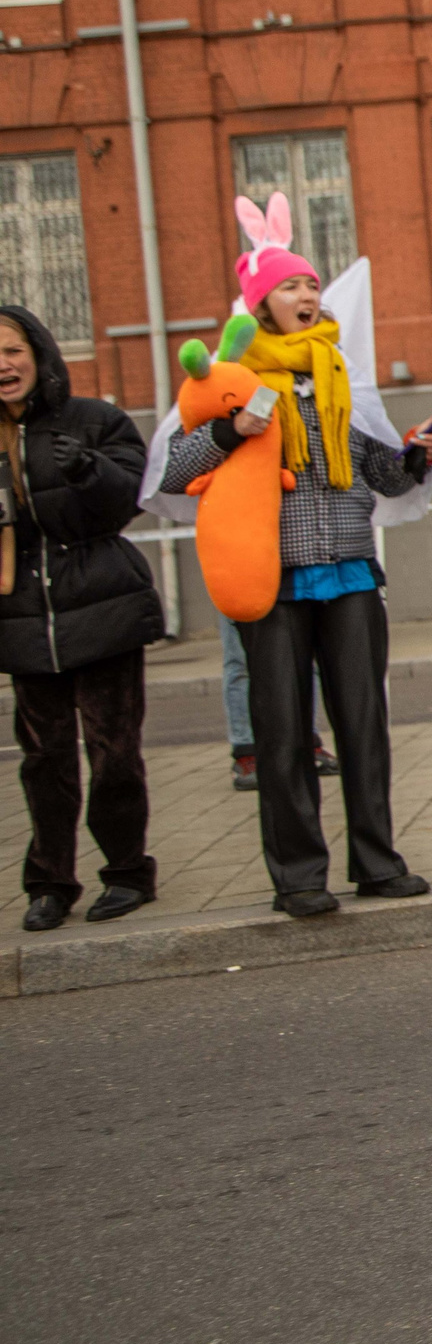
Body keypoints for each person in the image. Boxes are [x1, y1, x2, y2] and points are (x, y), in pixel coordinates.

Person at [157, 219, 432, 918]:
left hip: (347, 570)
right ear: (262, 303)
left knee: (364, 725)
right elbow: (171, 469)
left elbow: (379, 474)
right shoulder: (235, 379)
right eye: (292, 284)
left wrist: (412, 458)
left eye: (312, 283)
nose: (308, 292)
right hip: (271, 578)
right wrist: (229, 432)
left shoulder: (338, 373)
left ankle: (377, 863)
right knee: (282, 733)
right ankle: (300, 877)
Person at [0, 306, 162, 930]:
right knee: (44, 761)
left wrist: (88, 470)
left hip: (103, 611)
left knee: (114, 751)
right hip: (21, 621)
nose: (4, 365)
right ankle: (49, 884)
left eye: (13, 350)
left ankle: (126, 874)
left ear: (38, 353)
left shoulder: (95, 419)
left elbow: (132, 498)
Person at [218, 616, 333, 791]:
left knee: (305, 654)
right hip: (238, 590)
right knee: (241, 660)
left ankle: (307, 743)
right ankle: (246, 752)